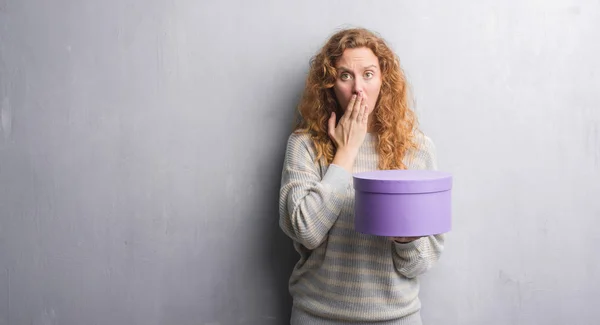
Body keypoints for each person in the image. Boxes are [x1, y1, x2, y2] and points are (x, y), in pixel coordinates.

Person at [278, 27, 445, 325]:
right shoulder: (304, 145)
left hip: (396, 318)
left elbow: (423, 261)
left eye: (368, 74)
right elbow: (306, 232)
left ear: (383, 80)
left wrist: (406, 241)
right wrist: (346, 152)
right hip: (317, 315)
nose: (358, 89)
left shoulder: (416, 148)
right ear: (330, 85)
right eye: (345, 76)